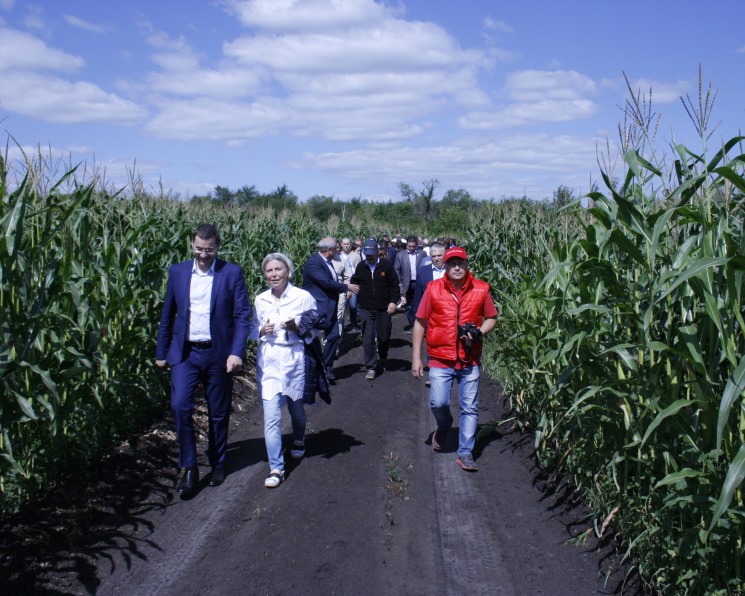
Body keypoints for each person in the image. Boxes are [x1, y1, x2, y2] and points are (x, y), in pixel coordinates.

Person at [156, 223, 252, 497]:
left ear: (217, 247)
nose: (203, 254)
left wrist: (236, 352)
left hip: (218, 354)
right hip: (185, 353)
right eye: (199, 249)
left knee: (219, 412)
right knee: (180, 406)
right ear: (191, 245)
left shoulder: (231, 272)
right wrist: (162, 352)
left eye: (209, 250)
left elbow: (242, 316)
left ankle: (218, 462)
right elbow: (168, 314)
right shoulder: (177, 272)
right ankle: (189, 467)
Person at [411, 247, 498, 472]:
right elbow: (420, 322)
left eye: (460, 263)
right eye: (452, 263)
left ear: (467, 265)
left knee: (470, 407)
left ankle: (465, 453)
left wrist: (479, 331)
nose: (456, 267)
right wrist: (416, 358)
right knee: (438, 403)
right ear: (446, 267)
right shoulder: (433, 289)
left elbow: (492, 317)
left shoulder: (481, 289)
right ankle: (444, 424)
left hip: (470, 359)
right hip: (440, 357)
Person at [252, 253, 317, 489]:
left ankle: (299, 438)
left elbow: (314, 332)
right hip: (269, 360)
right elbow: (252, 329)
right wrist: (261, 330)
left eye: (278, 270)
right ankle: (276, 468)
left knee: (295, 408)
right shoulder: (260, 300)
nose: (274, 275)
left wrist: (296, 327)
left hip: (293, 358)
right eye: (269, 271)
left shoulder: (303, 298)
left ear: (288, 271)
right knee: (271, 417)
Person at [302, 237, 359, 382]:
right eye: (336, 249)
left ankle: (326, 367)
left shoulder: (327, 262)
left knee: (334, 336)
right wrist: (346, 287)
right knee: (312, 341)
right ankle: (313, 371)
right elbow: (326, 283)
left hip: (329, 305)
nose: (338, 251)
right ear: (329, 250)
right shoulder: (313, 263)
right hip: (317, 309)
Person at [351, 238, 400, 381]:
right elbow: (355, 280)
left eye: (372, 255)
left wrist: (393, 302)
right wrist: (352, 289)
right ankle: (371, 367)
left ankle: (383, 356)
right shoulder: (361, 266)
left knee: (384, 336)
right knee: (367, 338)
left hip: (383, 308)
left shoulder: (386, 266)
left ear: (377, 253)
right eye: (367, 255)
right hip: (366, 308)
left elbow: (394, 285)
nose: (370, 257)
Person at [394, 235, 427, 334]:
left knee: (419, 305)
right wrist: (399, 282)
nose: (411, 248)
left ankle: (420, 326)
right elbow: (396, 270)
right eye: (409, 246)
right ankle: (412, 325)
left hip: (418, 283)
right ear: (407, 245)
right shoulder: (400, 255)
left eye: (413, 246)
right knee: (408, 306)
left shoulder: (422, 254)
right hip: (406, 283)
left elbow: (426, 267)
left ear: (417, 245)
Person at [340, 237, 361, 331]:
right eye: (344, 244)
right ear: (341, 245)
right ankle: (342, 324)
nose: (346, 246)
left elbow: (359, 270)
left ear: (351, 244)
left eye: (348, 244)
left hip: (353, 283)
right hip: (342, 284)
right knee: (342, 305)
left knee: (353, 305)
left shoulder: (356, 256)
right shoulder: (338, 256)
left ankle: (353, 322)